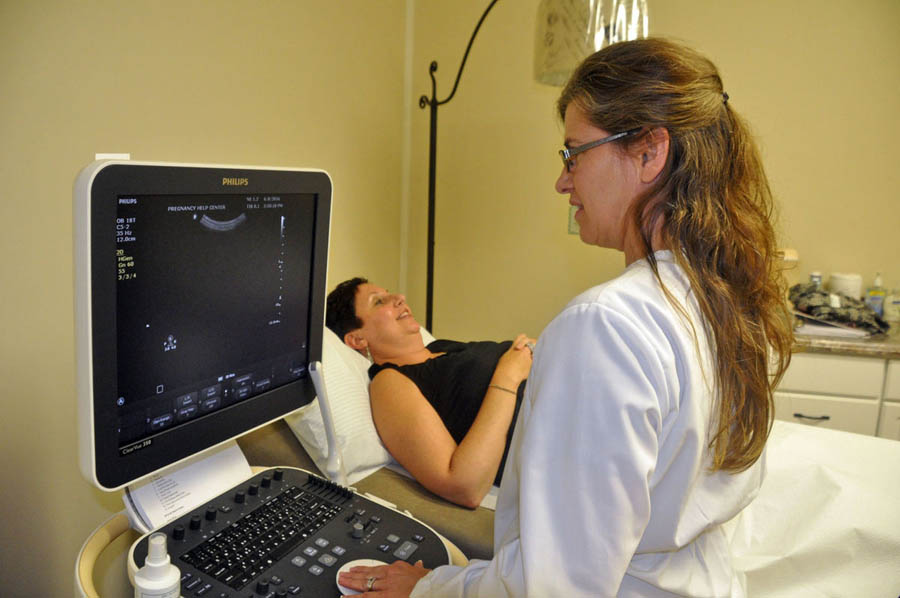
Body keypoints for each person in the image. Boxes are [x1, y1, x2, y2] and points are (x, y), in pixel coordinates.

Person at [338, 37, 793, 597]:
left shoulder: (606, 326)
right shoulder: (725, 299)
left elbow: (554, 585)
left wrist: (428, 590)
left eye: (574, 153)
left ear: (649, 153)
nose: (562, 180)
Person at [326, 277, 535, 508]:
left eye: (390, 293)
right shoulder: (389, 382)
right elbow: (463, 486)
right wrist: (508, 377)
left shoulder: (441, 347)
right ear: (357, 339)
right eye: (379, 302)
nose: (400, 298)